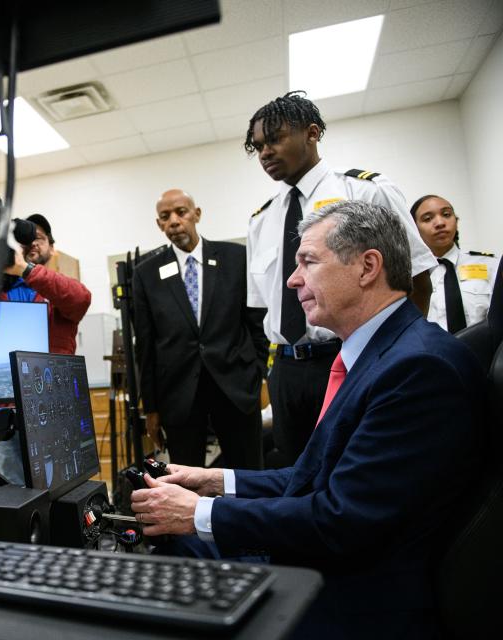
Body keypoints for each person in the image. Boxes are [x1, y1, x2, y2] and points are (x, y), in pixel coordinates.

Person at [131, 200, 483, 638]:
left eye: (308, 262)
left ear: (367, 267)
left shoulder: (416, 370)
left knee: (154, 578)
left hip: (354, 598)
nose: (293, 279)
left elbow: (340, 520)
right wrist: (215, 482)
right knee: (172, 544)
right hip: (339, 565)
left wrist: (199, 513)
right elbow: (316, 476)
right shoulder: (384, 352)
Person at [244, 91, 437, 467]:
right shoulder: (261, 219)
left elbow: (416, 279)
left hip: (351, 359)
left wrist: (397, 357)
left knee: (357, 469)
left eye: (276, 138)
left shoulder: (364, 191)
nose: (266, 152)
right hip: (285, 370)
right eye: (259, 146)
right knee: (295, 477)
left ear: (312, 133)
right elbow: (260, 310)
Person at [133, 189, 267, 469]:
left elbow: (257, 323)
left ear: (197, 214)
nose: (174, 221)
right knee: (186, 479)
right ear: (159, 225)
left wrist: (258, 375)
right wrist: (152, 408)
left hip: (235, 387)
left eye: (181, 212)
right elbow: (145, 346)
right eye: (165, 216)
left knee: (248, 474)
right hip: (179, 396)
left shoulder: (236, 258)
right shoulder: (146, 274)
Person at [0, 214, 91, 483]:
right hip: (2, 409)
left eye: (38, 238)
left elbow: (80, 299)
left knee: (61, 487)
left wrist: (26, 270)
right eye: (22, 241)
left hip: (54, 407)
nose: (30, 244)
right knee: (14, 493)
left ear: (52, 248)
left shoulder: (58, 288)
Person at [410, 194, 498, 333]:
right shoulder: (409, 277)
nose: (440, 223)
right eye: (427, 218)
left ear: (456, 221)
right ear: (414, 229)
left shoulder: (491, 265)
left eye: (446, 214)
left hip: (484, 351)